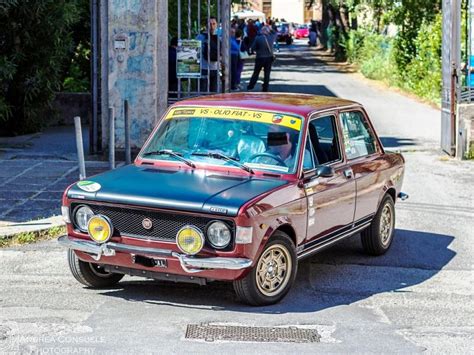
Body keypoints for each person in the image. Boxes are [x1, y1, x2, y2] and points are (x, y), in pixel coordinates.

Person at [247, 26, 276, 92]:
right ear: (268, 31)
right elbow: (275, 33)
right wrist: (271, 29)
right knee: (267, 73)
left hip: (260, 57)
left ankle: (251, 86)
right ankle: (265, 87)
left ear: (262, 31)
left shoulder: (258, 38)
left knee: (256, 72)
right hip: (269, 57)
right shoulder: (271, 37)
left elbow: (253, 48)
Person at [197, 17, 219, 92]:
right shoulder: (200, 37)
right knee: (203, 93)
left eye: (214, 24)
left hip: (215, 69)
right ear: (206, 25)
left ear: (216, 25)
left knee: (214, 94)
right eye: (210, 24)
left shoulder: (219, 37)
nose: (212, 26)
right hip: (204, 68)